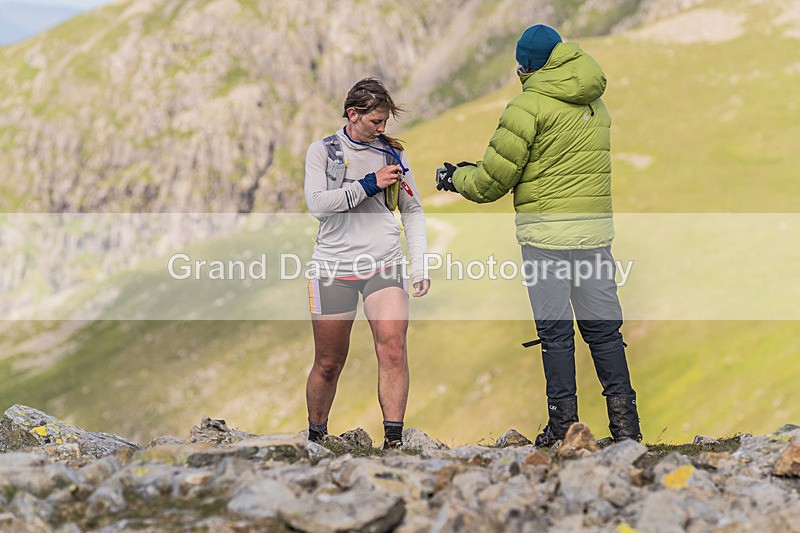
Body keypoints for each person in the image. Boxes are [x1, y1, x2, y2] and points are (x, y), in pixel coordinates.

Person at [436, 25, 641, 445]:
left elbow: (493, 181)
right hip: (594, 236)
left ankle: (565, 429)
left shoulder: (526, 107)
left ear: (526, 65)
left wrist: (456, 178)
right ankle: (627, 431)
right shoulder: (594, 102)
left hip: (547, 239)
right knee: (604, 333)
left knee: (556, 335)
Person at [304, 77, 429, 449]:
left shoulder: (393, 154)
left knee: (392, 348)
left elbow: (413, 210)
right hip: (333, 267)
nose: (381, 129)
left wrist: (419, 264)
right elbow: (318, 204)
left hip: (384, 264)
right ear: (352, 114)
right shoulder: (322, 151)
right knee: (328, 362)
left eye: (385, 121)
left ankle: (394, 442)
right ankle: (316, 438)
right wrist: (369, 184)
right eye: (375, 121)